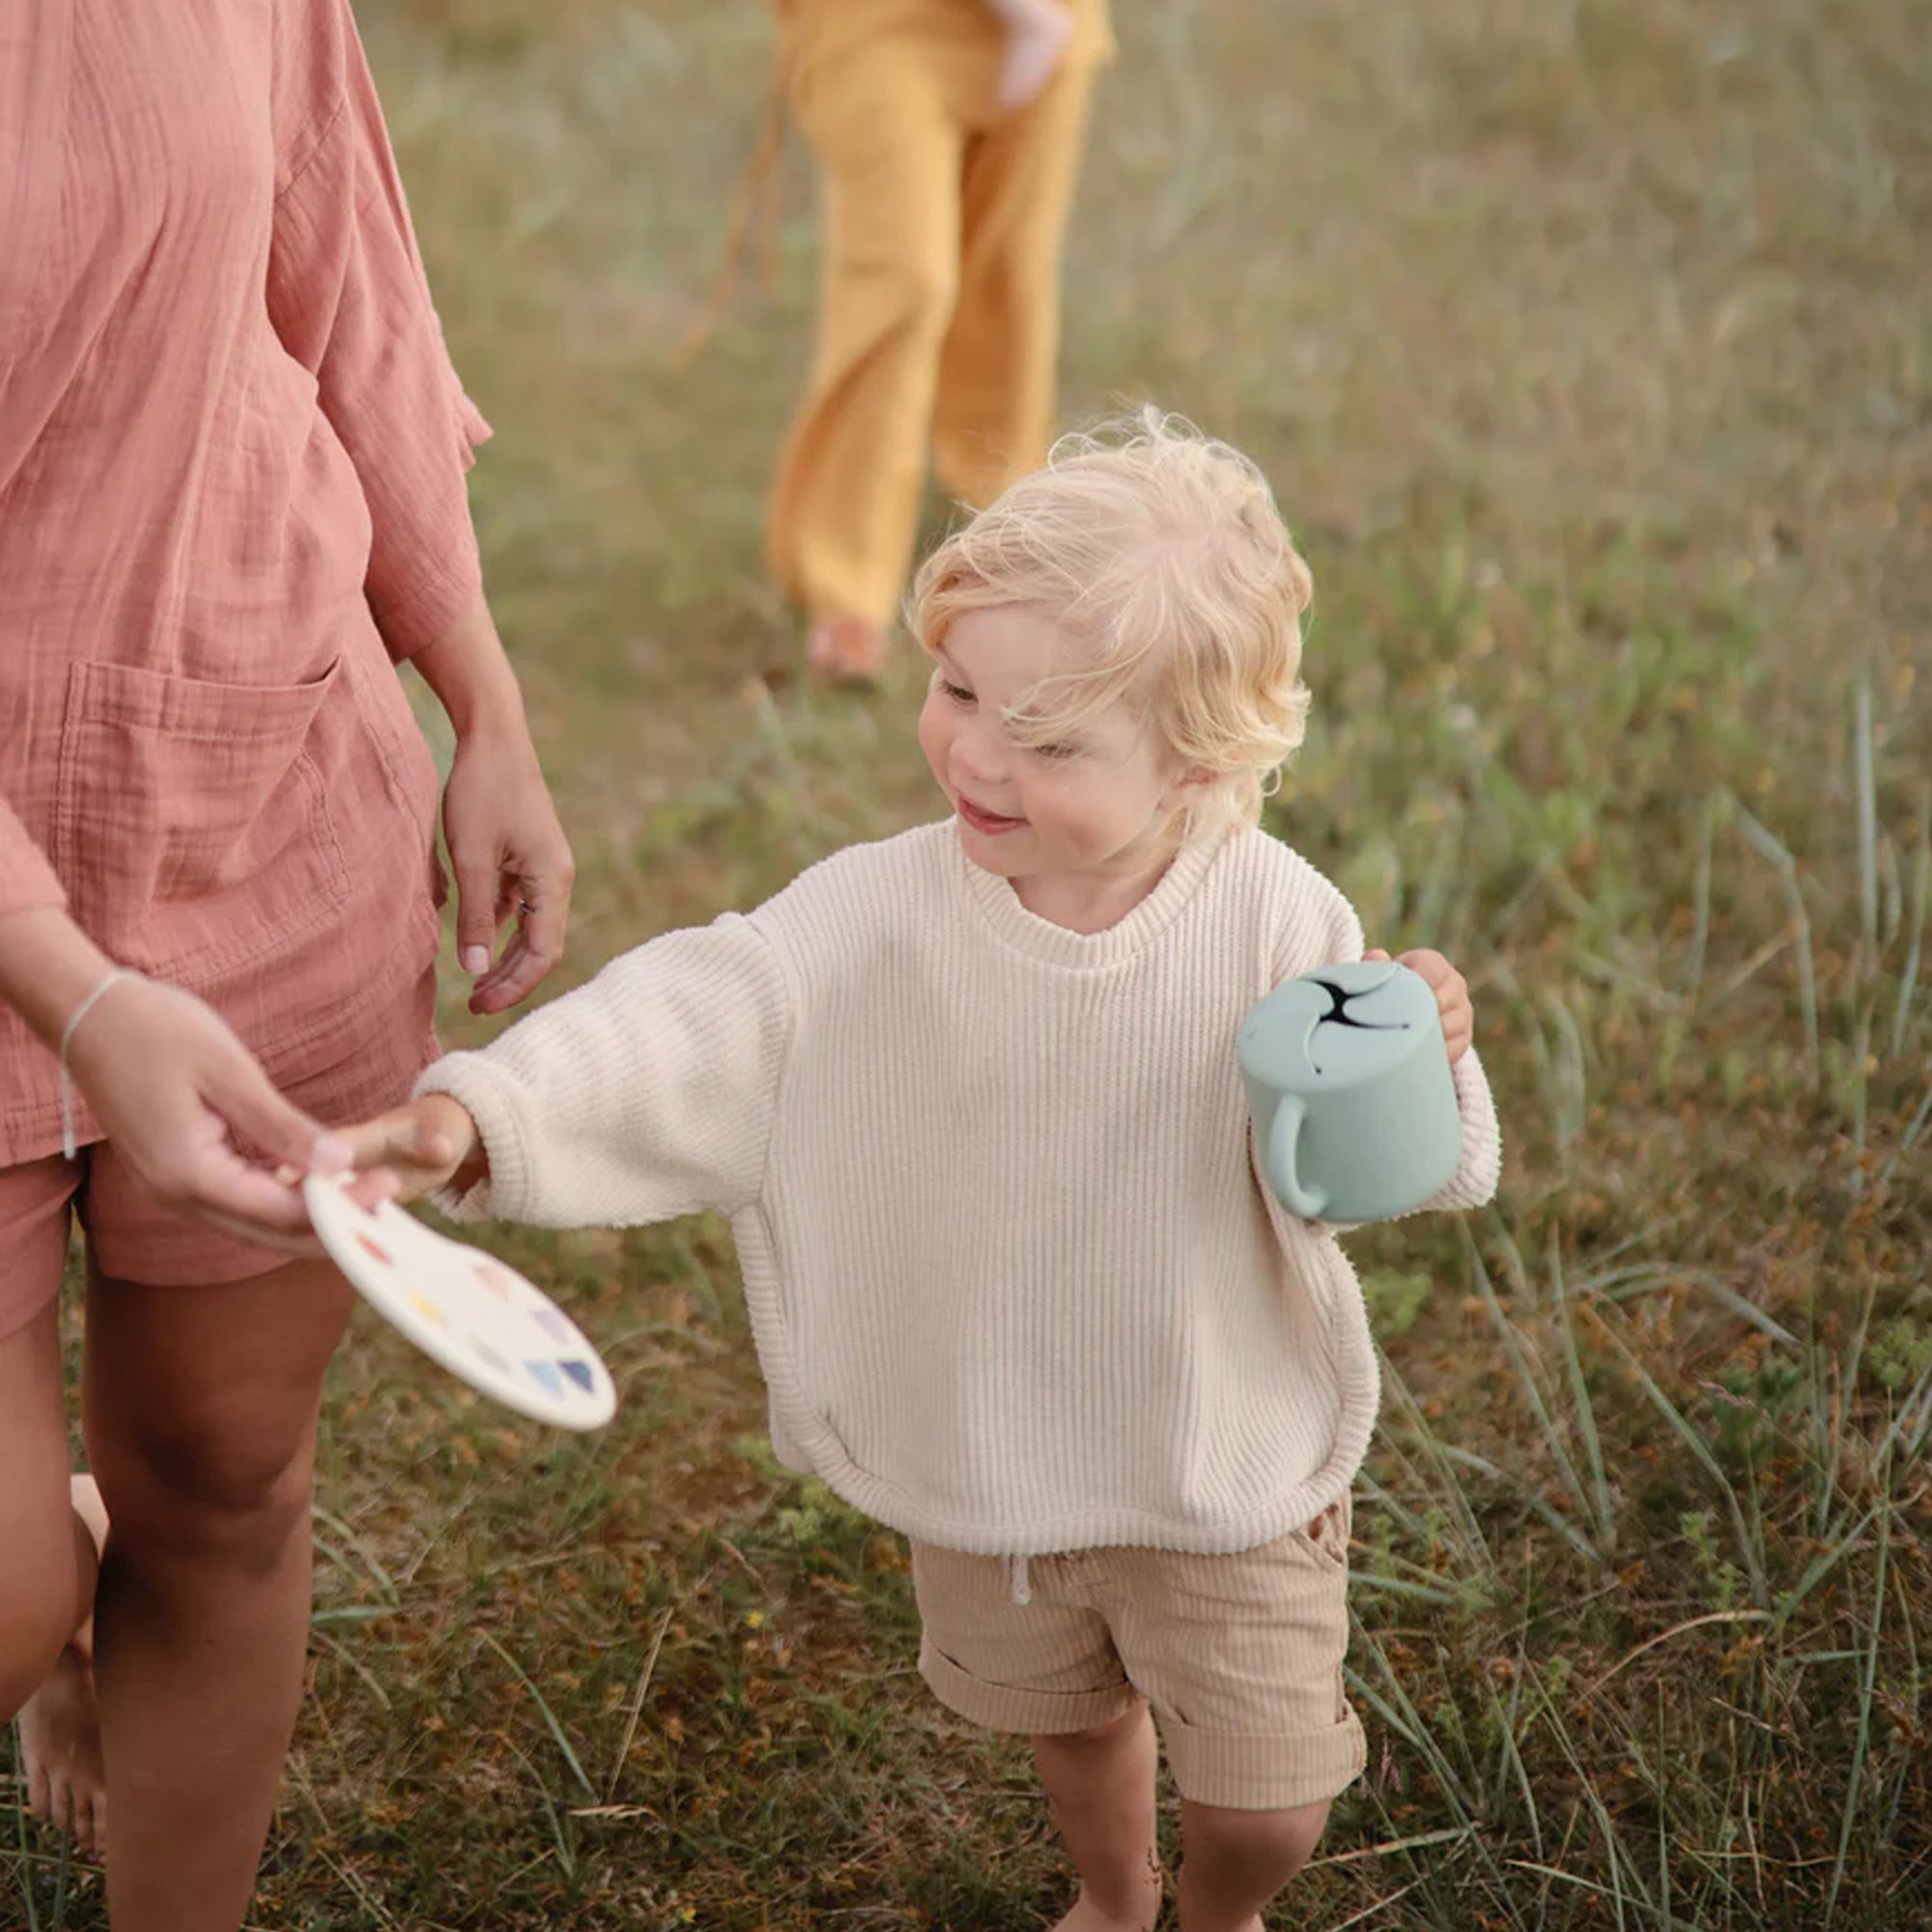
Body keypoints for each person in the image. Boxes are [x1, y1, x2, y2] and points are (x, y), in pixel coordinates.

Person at [347, 412, 1501, 1932]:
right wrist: (480, 1117)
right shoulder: (879, 921)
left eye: (1050, 736)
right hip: (989, 1432)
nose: (975, 751)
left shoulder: (1276, 921)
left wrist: (1424, 1052)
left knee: (1271, 1796)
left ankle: (1218, 1913)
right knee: (1070, 1719)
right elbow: (704, 1011)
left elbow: (1366, 1165)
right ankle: (1113, 1892)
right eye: (960, 689)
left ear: (1203, 760)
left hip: (1215, 1439)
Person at [0, 3, 573, 1924]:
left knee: (226, 1473)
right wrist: (72, 989)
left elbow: (345, 284)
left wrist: (478, 690)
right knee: (4, 1587)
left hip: (261, 792)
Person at [766, 0, 1114, 680]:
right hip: (880, 24)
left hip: (1054, 20)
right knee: (903, 280)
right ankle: (847, 580)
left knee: (1008, 278)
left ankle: (1005, 514)